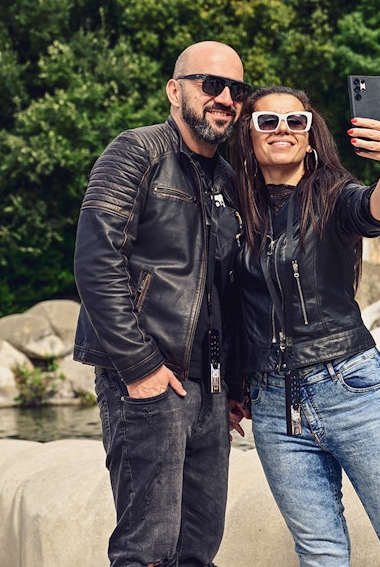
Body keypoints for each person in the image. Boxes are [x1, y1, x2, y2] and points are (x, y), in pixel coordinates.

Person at [227, 85, 380, 567]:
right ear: (248, 137)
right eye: (267, 122)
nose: (282, 130)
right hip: (273, 404)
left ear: (311, 137)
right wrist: (234, 384)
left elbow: (375, 210)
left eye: (296, 122)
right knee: (319, 554)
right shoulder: (234, 212)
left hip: (350, 386)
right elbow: (232, 308)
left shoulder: (333, 195)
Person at [72, 41, 248, 567]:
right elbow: (96, 259)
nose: (224, 99)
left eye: (235, 91)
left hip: (211, 389)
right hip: (150, 378)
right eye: (210, 85)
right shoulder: (137, 151)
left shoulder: (230, 180)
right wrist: (138, 365)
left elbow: (228, 290)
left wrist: (234, 383)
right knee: (147, 550)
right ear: (175, 91)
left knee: (198, 549)